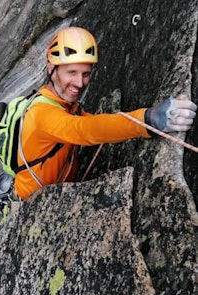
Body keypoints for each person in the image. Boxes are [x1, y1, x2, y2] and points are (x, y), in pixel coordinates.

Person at [14, 26, 197, 200]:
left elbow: (94, 123)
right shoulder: (41, 114)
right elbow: (86, 129)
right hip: (33, 201)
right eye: (71, 72)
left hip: (59, 189)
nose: (79, 83)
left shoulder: (65, 105)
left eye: (85, 74)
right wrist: (148, 119)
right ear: (51, 69)